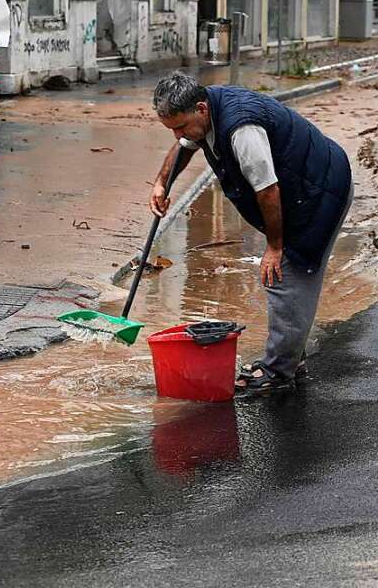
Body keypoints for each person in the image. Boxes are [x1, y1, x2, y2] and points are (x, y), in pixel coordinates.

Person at [149, 72, 353, 393]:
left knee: (284, 275)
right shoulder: (202, 113)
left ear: (201, 108)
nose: (178, 135)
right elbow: (186, 145)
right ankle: (289, 357)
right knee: (283, 274)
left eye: (180, 126)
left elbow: (268, 190)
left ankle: (278, 372)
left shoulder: (241, 129)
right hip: (304, 185)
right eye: (171, 129)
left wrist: (274, 245)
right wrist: (163, 182)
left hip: (319, 192)